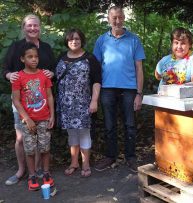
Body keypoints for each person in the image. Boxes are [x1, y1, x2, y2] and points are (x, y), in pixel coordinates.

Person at [2, 14, 54, 185]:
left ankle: (37, 170)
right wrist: (10, 75)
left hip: (41, 103)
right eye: (29, 25)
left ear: (40, 27)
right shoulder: (16, 47)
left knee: (39, 137)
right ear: (23, 27)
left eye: (36, 25)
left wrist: (51, 73)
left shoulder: (46, 48)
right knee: (21, 138)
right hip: (21, 102)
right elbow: (5, 70)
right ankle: (21, 170)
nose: (33, 28)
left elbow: (53, 70)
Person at [93, 6, 145, 173]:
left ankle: (130, 157)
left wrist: (139, 93)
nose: (117, 21)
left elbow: (139, 68)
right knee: (109, 125)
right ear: (108, 19)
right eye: (114, 17)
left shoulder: (134, 40)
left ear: (124, 18)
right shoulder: (101, 40)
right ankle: (111, 156)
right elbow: (96, 68)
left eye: (120, 17)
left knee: (130, 125)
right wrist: (95, 91)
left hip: (129, 89)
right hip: (107, 88)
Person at [56, 28, 101, 177]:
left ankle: (86, 164)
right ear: (67, 41)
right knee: (72, 134)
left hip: (83, 103)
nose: (74, 41)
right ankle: (74, 162)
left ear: (82, 40)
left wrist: (94, 101)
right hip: (65, 103)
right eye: (71, 39)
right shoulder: (61, 57)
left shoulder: (90, 58)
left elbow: (96, 81)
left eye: (77, 39)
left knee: (84, 133)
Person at [11, 42, 55, 191]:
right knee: (29, 150)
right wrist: (27, 118)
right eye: (30, 57)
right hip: (28, 120)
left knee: (45, 148)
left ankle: (46, 173)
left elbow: (49, 96)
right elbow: (16, 100)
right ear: (23, 59)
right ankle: (32, 175)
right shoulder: (18, 77)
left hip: (44, 118)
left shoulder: (44, 75)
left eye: (36, 56)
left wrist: (52, 116)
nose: (34, 59)